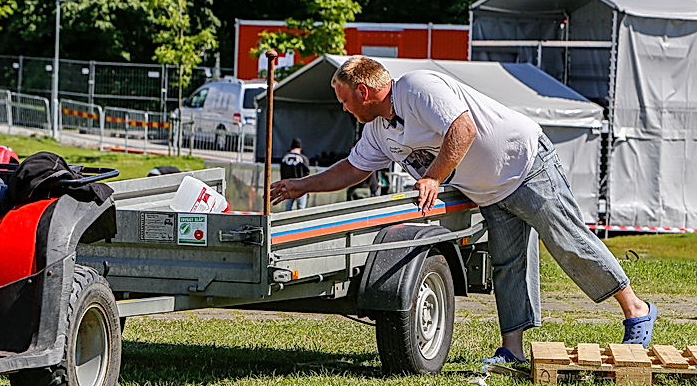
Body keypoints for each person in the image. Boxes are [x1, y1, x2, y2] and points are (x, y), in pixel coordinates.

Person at [270, 56, 658, 366]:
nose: (343, 108)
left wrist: (433, 177)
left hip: (525, 164)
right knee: (508, 264)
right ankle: (512, 350)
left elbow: (463, 129)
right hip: (487, 190)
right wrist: (301, 185)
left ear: (363, 91)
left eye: (344, 100)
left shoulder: (418, 88)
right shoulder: (377, 131)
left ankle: (637, 310)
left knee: (568, 242)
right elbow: (353, 170)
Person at [279, 138, 311, 210]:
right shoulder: (303, 158)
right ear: (300, 148)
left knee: (287, 209)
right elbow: (306, 173)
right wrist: (308, 189)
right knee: (301, 210)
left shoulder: (284, 158)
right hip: (301, 187)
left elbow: (282, 172)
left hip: (288, 187)